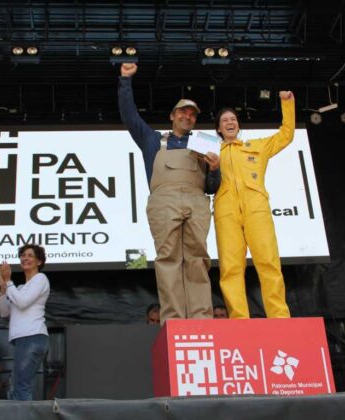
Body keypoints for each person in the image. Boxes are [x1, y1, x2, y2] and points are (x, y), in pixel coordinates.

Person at [118, 62, 220, 323]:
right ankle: (173, 319)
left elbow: (211, 186)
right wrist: (125, 81)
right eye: (182, 112)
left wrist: (215, 169)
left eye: (192, 114)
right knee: (168, 259)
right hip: (164, 200)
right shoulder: (153, 140)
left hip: (197, 199)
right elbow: (130, 116)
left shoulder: (205, 144)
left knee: (197, 259)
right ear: (172, 115)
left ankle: (201, 318)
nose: (188, 117)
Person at [213, 91, 295, 319]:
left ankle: (279, 316)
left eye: (233, 119)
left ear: (238, 125)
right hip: (225, 210)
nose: (229, 122)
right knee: (230, 269)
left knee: (268, 262)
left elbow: (286, 135)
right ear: (218, 129)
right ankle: (239, 319)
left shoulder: (257, 145)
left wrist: (287, 103)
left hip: (256, 208)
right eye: (224, 120)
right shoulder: (210, 151)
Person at [0, 244, 50, 401]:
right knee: (16, 387)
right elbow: (4, 312)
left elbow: (23, 302)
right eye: (23, 255)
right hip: (22, 339)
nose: (25, 258)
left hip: (32, 336)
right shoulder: (18, 287)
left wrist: (8, 281)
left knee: (21, 387)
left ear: (39, 261)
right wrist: (3, 288)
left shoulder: (41, 278)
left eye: (30, 255)